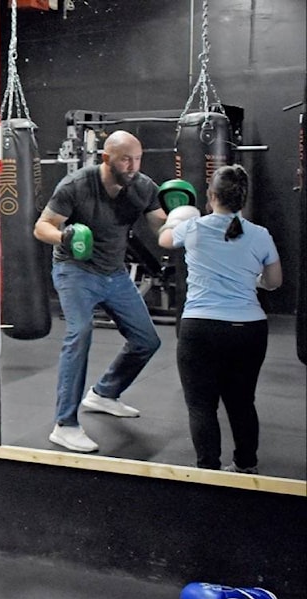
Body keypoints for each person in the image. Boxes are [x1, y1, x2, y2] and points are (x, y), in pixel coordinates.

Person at [33, 130, 167, 453]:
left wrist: (183, 220)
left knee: (147, 340)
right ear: (107, 159)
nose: (133, 166)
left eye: (138, 158)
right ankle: (64, 425)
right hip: (75, 270)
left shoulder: (143, 186)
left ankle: (104, 393)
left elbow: (160, 225)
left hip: (114, 273)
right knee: (79, 333)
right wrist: (64, 238)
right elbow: (42, 227)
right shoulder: (77, 185)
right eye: (126, 159)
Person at [158, 164, 282, 474]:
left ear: (211, 195)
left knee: (201, 406)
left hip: (201, 329)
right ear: (243, 199)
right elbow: (274, 281)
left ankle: (208, 471)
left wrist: (174, 218)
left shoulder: (194, 228)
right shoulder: (260, 235)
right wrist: (252, 280)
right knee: (242, 402)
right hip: (249, 330)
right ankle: (246, 465)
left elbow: (164, 240)